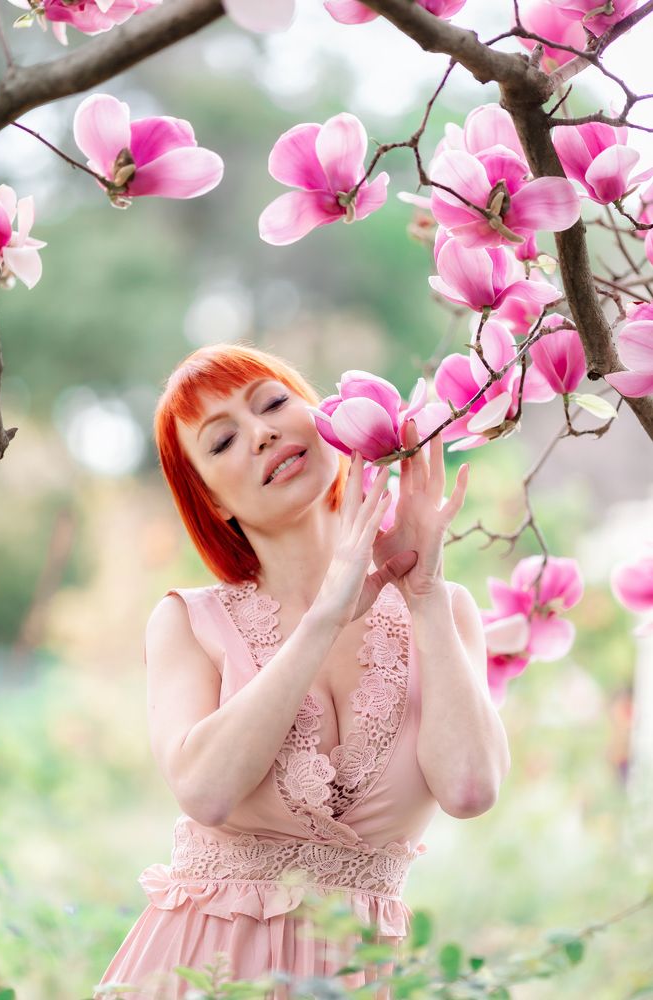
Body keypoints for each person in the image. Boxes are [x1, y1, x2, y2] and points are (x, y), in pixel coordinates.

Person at [94, 343, 511, 1000]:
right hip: (205, 975)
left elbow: (469, 790)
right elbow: (205, 791)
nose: (262, 434)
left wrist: (425, 591)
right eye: (224, 439)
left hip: (365, 980)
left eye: (274, 404)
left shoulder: (444, 610)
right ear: (212, 501)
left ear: (324, 420)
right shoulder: (187, 623)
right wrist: (325, 617)